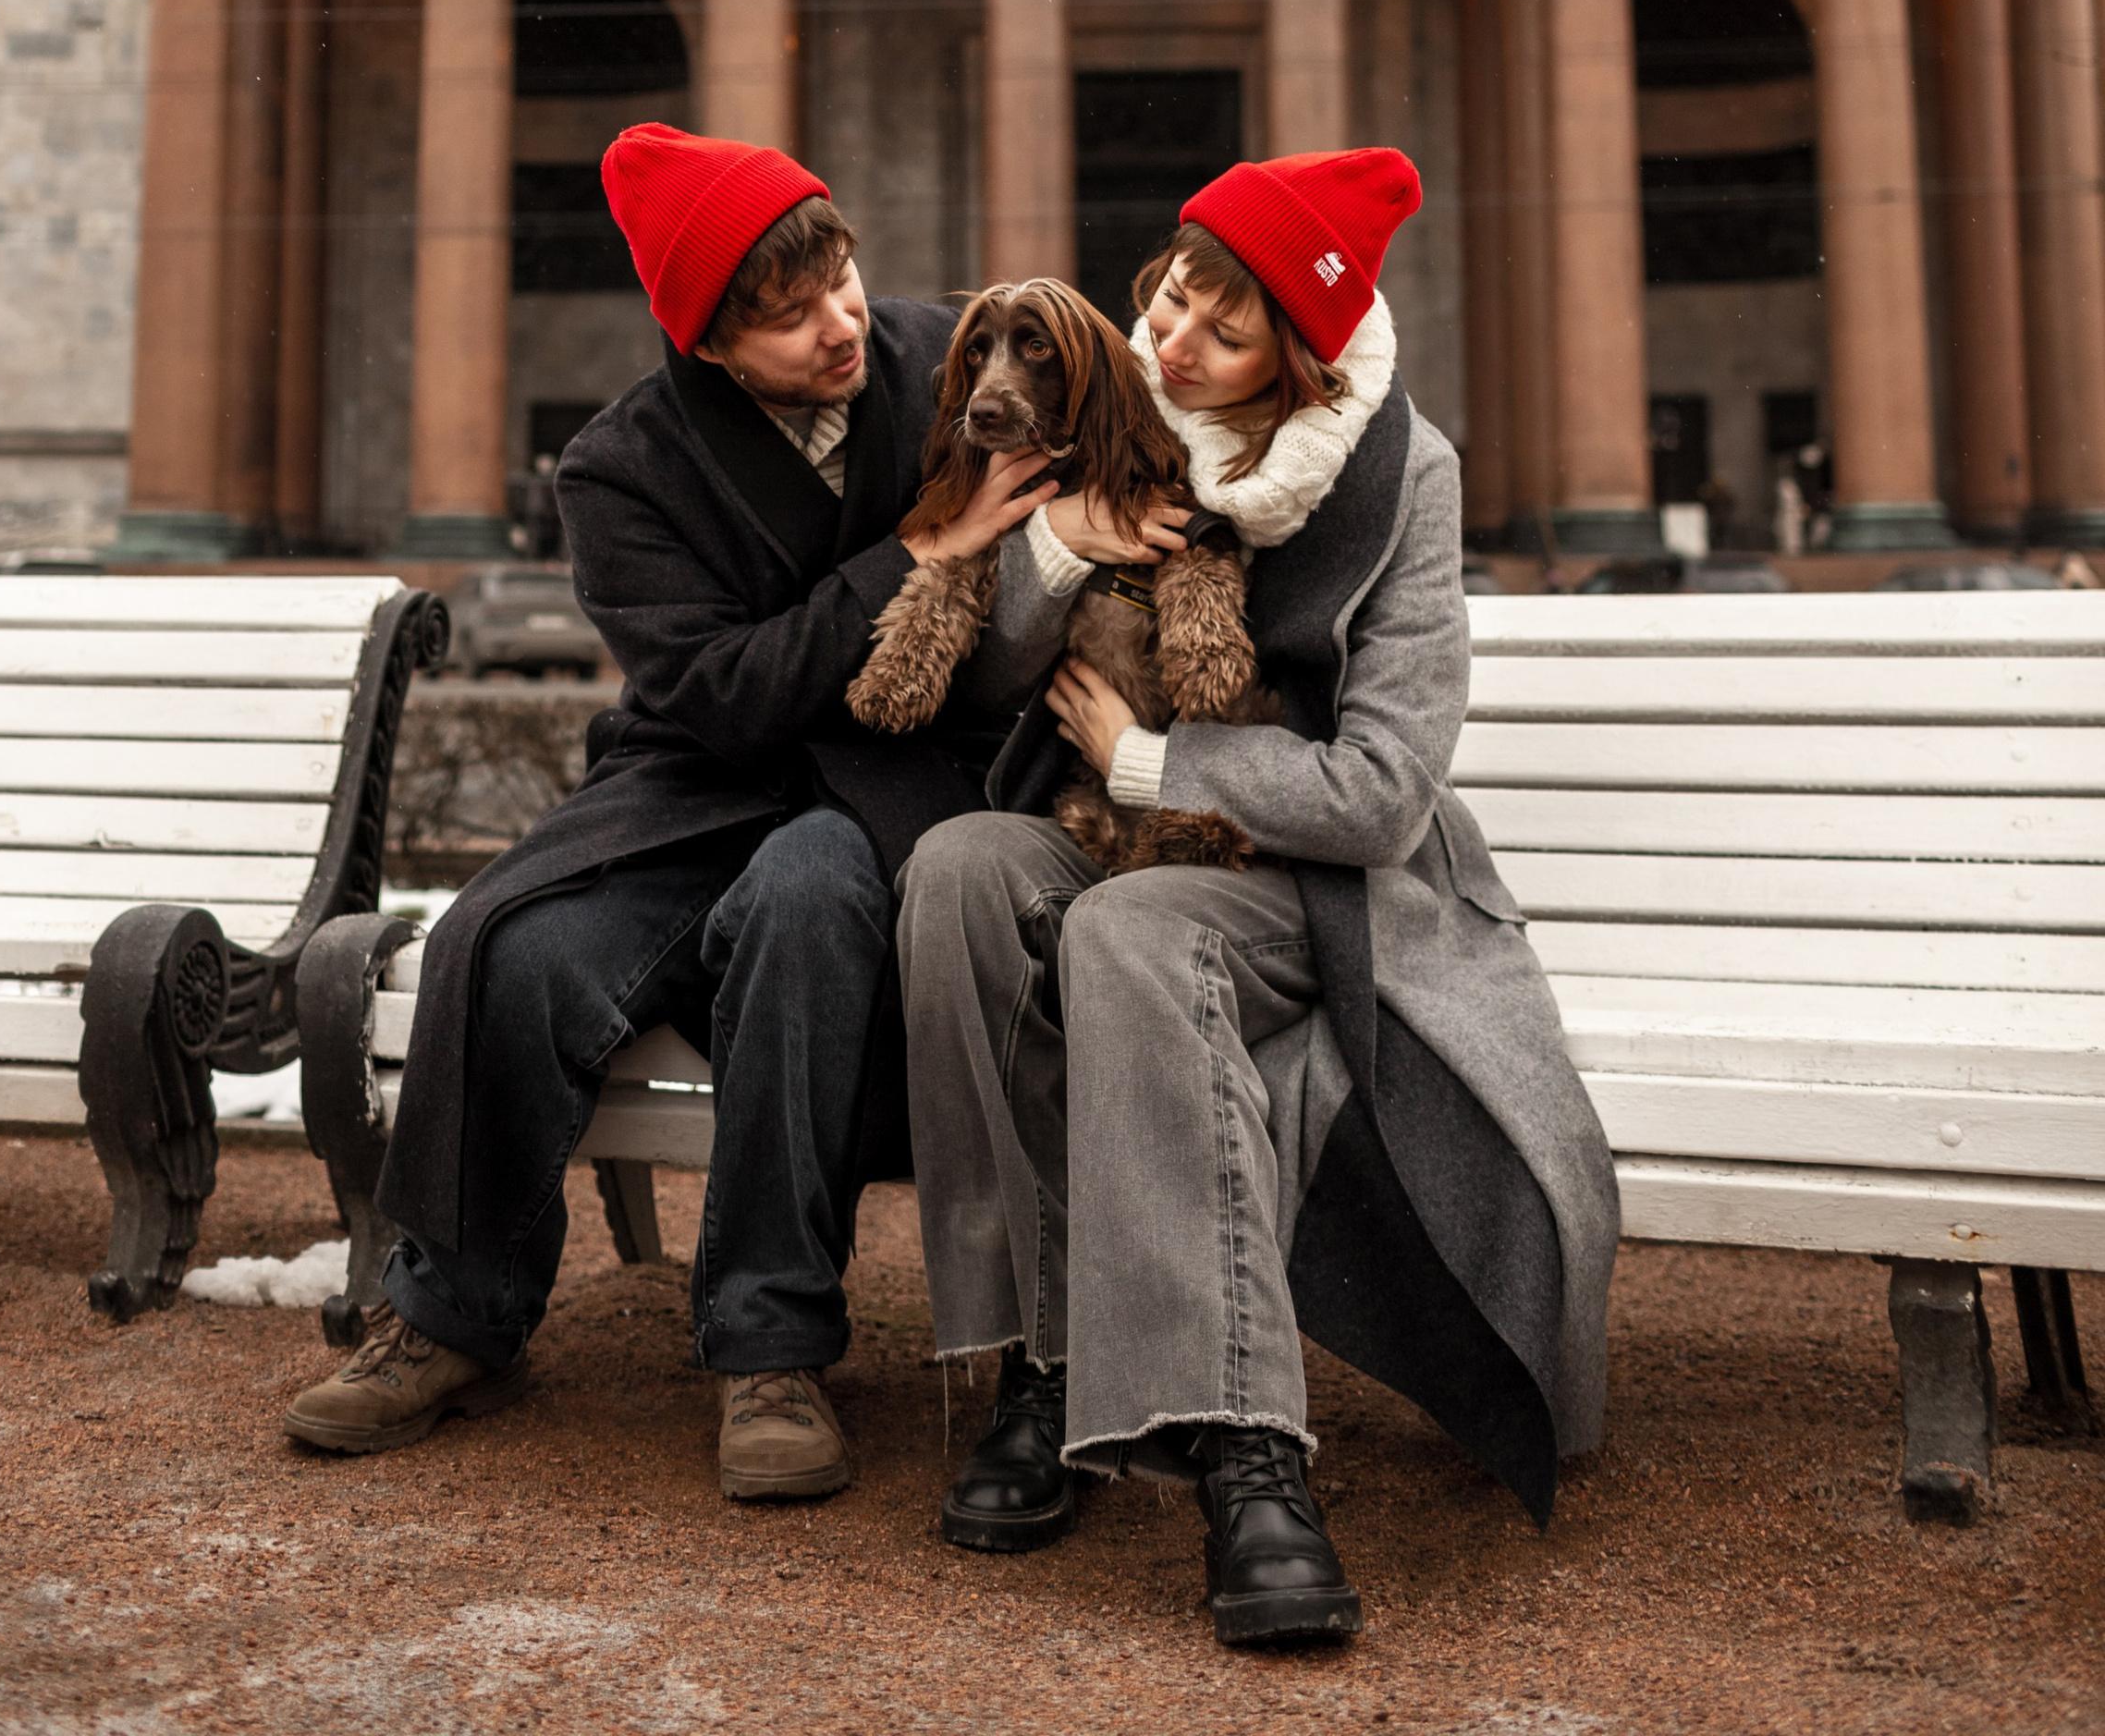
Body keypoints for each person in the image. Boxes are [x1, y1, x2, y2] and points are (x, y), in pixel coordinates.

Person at [898, 148, 1621, 1648]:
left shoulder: (1399, 475)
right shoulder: (1106, 420)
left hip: (1319, 888)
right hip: (1107, 829)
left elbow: (1381, 794)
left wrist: (1158, 758)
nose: (1170, 345)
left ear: (1297, 360)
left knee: (1131, 931)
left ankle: (1247, 1444)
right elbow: (987, 666)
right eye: (1170, 301)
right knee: (962, 874)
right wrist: (1050, 547)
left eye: (1222, 337)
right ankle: (1050, 1358)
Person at [284, 124, 1054, 1500]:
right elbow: (721, 694)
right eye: (787, 315)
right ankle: (455, 1313)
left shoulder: (953, 367)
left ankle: (771, 1347)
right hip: (695, 781)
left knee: (815, 902)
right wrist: (918, 553)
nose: (840, 324)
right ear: (706, 340)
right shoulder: (619, 466)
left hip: (880, 793)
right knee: (504, 947)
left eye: (842, 281)